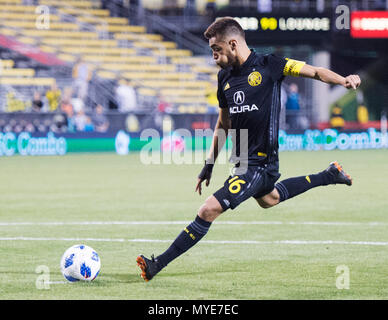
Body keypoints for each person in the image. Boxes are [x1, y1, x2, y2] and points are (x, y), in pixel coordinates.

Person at [136, 17, 361, 282]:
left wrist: (343, 80)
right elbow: (224, 122)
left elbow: (314, 71)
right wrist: (209, 163)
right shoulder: (225, 78)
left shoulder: (270, 65)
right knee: (270, 199)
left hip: (261, 164)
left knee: (207, 210)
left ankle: (157, 264)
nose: (213, 57)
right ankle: (329, 174)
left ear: (233, 44)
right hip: (242, 161)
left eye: (216, 50)